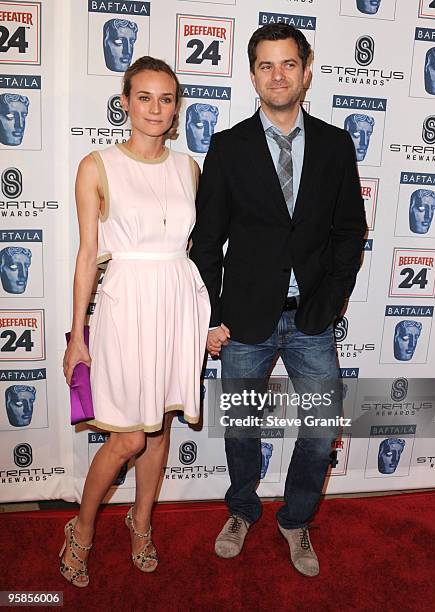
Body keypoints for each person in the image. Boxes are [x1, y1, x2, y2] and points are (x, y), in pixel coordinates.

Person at [190, 24, 366, 577]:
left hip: (311, 318)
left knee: (319, 430)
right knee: (242, 429)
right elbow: (207, 240)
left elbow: (348, 232)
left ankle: (296, 518)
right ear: (252, 75)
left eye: (288, 64)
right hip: (244, 320)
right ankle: (242, 508)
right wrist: (214, 316)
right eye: (266, 66)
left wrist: (332, 301)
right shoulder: (228, 146)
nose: (278, 75)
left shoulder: (337, 145)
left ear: (306, 68)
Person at [61, 56, 210, 588]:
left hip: (175, 304)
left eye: (166, 99)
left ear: (176, 109)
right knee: (126, 437)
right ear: (125, 102)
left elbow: (192, 246)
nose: (155, 108)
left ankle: (141, 522)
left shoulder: (188, 166)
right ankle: (80, 528)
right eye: (144, 97)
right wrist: (78, 335)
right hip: (126, 306)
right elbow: (86, 256)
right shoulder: (96, 165)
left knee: (161, 424)